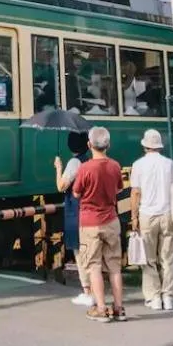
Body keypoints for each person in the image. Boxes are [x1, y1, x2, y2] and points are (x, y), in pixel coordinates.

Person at [70, 126, 125, 322]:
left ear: (89, 144)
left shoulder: (85, 168)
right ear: (108, 145)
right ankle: (118, 308)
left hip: (90, 223)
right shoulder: (115, 166)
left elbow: (76, 193)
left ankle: (101, 308)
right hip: (111, 220)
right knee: (115, 266)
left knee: (94, 266)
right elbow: (119, 189)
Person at [129, 128, 173, 311]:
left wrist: (134, 217)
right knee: (168, 258)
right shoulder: (169, 164)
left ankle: (154, 297)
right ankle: (168, 297)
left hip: (147, 215)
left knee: (149, 259)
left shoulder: (138, 165)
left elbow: (135, 192)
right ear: (159, 146)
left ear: (145, 146)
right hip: (168, 214)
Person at [54, 130, 95, 308]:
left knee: (80, 253)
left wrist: (58, 168)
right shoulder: (89, 160)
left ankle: (88, 292)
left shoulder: (74, 162)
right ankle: (95, 290)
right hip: (89, 210)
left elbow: (61, 186)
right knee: (91, 254)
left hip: (76, 210)